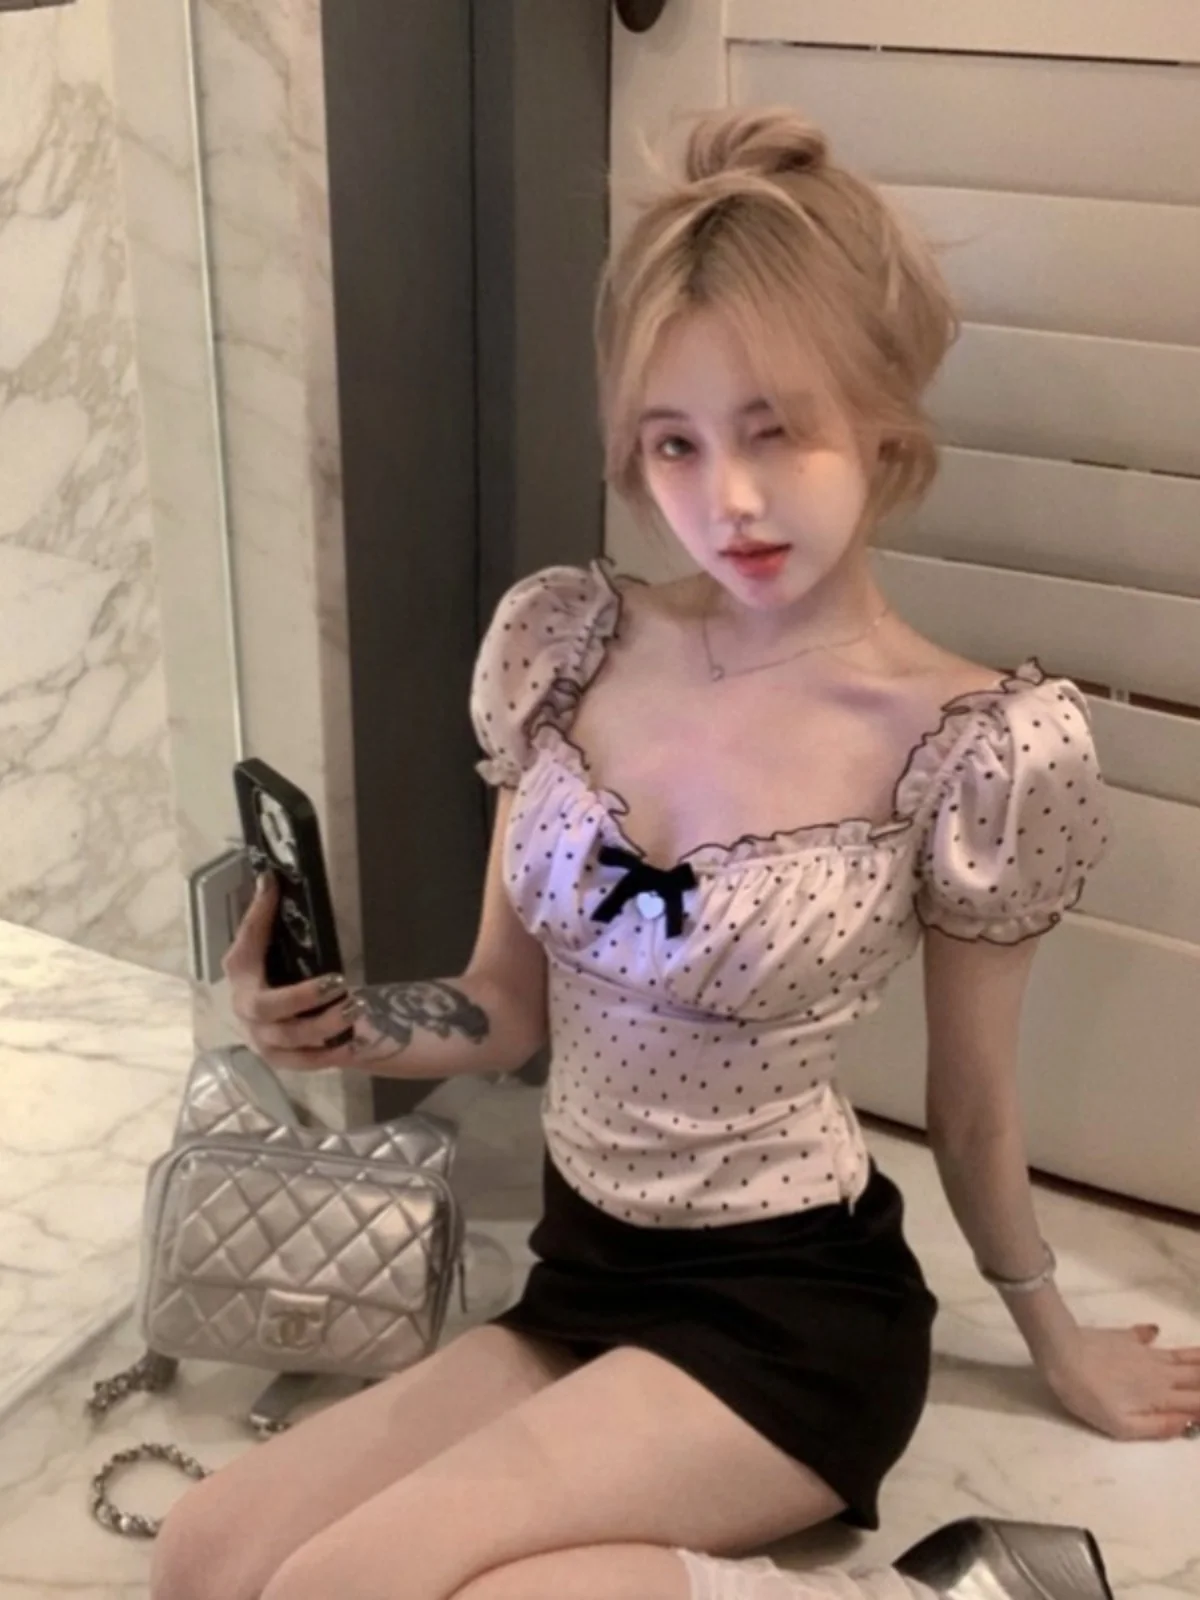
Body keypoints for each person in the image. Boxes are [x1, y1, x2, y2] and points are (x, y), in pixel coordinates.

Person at [150, 108, 1200, 1600]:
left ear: (881, 422)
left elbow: (970, 1106)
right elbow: (502, 1006)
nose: (731, 500)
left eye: (777, 430)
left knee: (361, 1590)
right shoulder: (567, 648)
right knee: (206, 1559)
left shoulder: (980, 745)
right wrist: (339, 1025)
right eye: (677, 444)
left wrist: (1056, 1334)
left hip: (792, 1314)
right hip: (586, 1277)